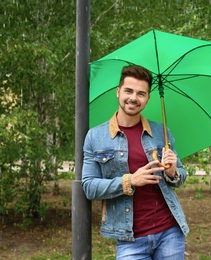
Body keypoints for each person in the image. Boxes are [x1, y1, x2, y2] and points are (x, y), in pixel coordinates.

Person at [82, 65, 189, 260]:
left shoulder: (161, 132)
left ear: (147, 98)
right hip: (130, 238)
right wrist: (130, 181)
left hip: (170, 232)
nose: (133, 98)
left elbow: (180, 177)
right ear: (118, 92)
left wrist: (173, 172)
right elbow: (89, 187)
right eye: (128, 91)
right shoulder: (95, 136)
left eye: (141, 93)